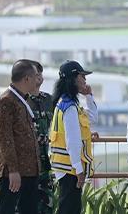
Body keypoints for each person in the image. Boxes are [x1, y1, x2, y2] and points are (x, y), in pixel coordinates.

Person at [0, 59, 45, 214]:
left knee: (29, 209)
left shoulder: (21, 99)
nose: (38, 80)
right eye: (36, 76)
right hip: (15, 173)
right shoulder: (6, 101)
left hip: (29, 171)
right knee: (7, 209)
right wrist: (13, 171)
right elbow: (4, 138)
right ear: (27, 79)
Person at [47, 61, 94, 214]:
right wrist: (79, 169)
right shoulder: (70, 107)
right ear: (73, 78)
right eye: (82, 76)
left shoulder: (66, 103)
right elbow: (72, 142)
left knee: (69, 206)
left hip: (65, 166)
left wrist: (89, 96)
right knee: (69, 208)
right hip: (70, 167)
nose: (85, 80)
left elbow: (91, 117)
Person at [25, 62, 54, 214]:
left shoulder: (49, 100)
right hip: (27, 165)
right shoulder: (21, 100)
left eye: (41, 73)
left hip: (45, 165)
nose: (39, 76)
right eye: (36, 73)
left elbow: (62, 125)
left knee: (47, 207)